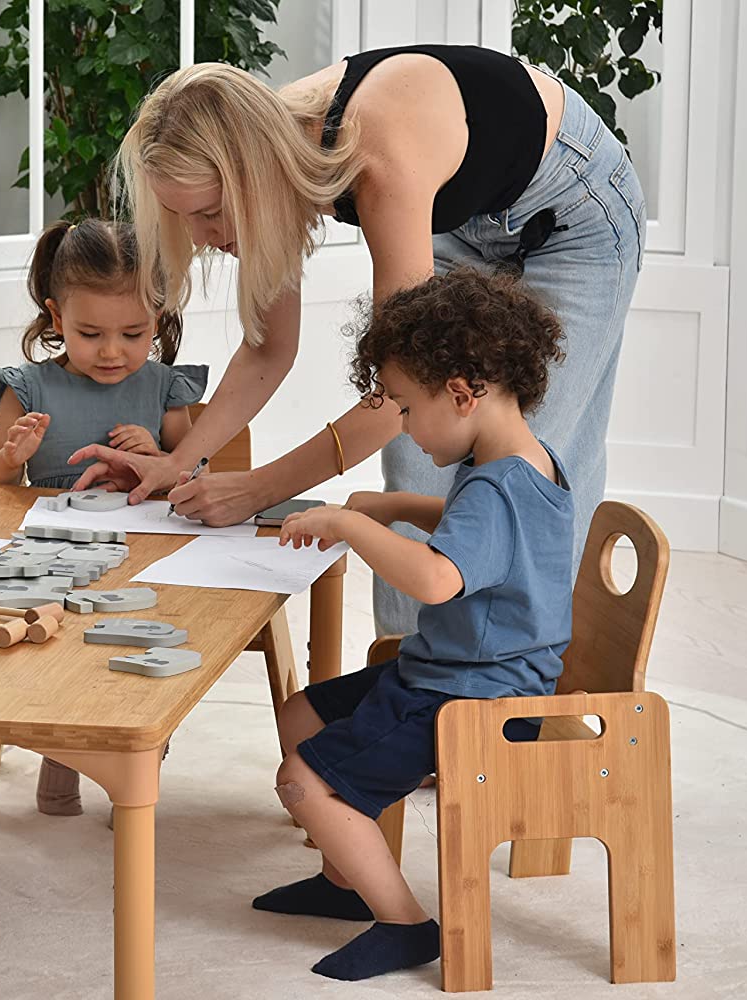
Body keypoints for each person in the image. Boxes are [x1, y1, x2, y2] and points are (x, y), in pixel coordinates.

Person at [68, 45, 644, 636]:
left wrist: (258, 489)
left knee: (520, 457)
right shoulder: (268, 145)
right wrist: (179, 464)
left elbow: (403, 393)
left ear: (252, 176)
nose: (202, 235)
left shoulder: (377, 158)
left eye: (211, 212)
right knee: (420, 450)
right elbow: (270, 348)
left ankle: (525, 692)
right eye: (183, 215)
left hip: (572, 209)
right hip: (462, 216)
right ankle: (403, 671)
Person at [256, 267, 572, 981]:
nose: (401, 425)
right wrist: (401, 509)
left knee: (303, 780)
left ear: (461, 394)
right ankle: (345, 884)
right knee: (303, 711)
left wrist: (348, 523)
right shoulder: (522, 460)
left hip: (475, 696)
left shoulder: (496, 486)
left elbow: (437, 577)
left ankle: (405, 926)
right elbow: (486, 536)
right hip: (460, 670)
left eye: (404, 407)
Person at [0, 218, 207, 813]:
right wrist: (10, 457)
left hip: (142, 554)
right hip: (50, 555)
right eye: (90, 332)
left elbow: (193, 478)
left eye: (133, 333)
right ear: (56, 320)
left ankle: (133, 777)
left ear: (158, 316)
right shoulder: (25, 387)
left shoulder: (164, 387)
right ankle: (61, 762)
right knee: (61, 643)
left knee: (147, 646)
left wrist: (159, 459)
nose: (112, 351)